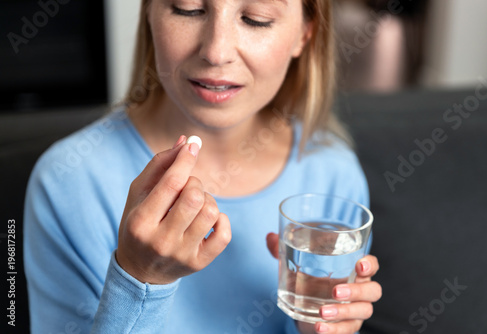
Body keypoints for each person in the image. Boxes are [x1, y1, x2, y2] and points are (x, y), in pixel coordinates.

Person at [24, 0, 382, 333]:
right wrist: (140, 279)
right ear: (149, 14)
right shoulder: (67, 181)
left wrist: (315, 327)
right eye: (188, 9)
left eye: (255, 18)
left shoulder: (334, 173)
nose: (216, 52)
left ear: (304, 34)